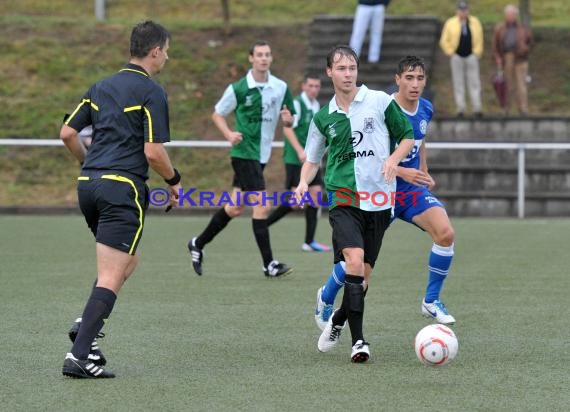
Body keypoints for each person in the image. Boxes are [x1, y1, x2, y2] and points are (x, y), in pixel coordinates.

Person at [59, 20, 181, 379]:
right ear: (155, 51)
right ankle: (80, 354)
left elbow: (67, 132)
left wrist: (88, 162)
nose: (167, 57)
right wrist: (175, 182)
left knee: (126, 262)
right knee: (114, 271)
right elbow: (154, 152)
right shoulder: (151, 91)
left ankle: (87, 324)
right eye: (167, 50)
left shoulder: (101, 86)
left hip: (88, 186)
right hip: (122, 189)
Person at [314, 55, 457, 335]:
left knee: (446, 233)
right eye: (409, 78)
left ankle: (431, 300)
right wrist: (402, 172)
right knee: (357, 269)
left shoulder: (426, 108)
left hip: (410, 193)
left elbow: (418, 140)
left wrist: (423, 170)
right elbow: (373, 156)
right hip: (379, 193)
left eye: (420, 78)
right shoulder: (380, 107)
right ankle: (327, 297)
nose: (415, 85)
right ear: (397, 80)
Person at [295, 45, 414, 362]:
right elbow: (312, 159)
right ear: (329, 73)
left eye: (352, 68)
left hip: (379, 201)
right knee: (355, 262)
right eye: (341, 68)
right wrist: (304, 182)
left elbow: (407, 136)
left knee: (363, 279)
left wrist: (393, 159)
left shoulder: (379, 101)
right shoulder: (324, 118)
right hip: (344, 198)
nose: (348, 74)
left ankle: (336, 320)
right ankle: (359, 342)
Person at [188, 41, 296, 278]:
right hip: (243, 153)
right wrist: (228, 134)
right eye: (259, 55)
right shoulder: (238, 88)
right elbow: (217, 113)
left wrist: (288, 121)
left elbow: (290, 119)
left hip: (261, 155)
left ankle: (198, 243)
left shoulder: (280, 87)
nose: (264, 59)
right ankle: (269, 264)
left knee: (235, 207)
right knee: (262, 205)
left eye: (267, 54)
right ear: (251, 58)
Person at [266, 74, 331, 252]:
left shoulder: (316, 105)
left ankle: (309, 241)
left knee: (316, 196)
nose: (314, 89)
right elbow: (287, 130)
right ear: (303, 86)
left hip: (310, 160)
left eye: (317, 86)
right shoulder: (296, 104)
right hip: (296, 159)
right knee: (295, 201)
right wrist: (300, 150)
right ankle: (263, 224)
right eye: (310, 85)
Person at [439, 1, 484, 117]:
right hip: (456, 56)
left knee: (474, 82)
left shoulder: (475, 22)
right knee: (458, 82)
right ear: (457, 11)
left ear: (468, 11)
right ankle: (461, 108)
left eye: (465, 10)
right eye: (461, 10)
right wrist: (450, 53)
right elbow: (444, 40)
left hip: (471, 56)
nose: (463, 12)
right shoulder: (451, 23)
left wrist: (476, 53)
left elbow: (479, 39)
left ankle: (477, 108)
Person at [492, 4, 534, 116]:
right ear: (505, 15)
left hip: (521, 58)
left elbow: (531, 42)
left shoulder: (523, 28)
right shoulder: (499, 28)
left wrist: (525, 49)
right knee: (508, 85)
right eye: (508, 14)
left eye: (512, 14)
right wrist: (498, 58)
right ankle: (506, 109)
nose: (510, 16)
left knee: (521, 86)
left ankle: (523, 109)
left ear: (516, 15)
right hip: (507, 57)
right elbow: (495, 45)